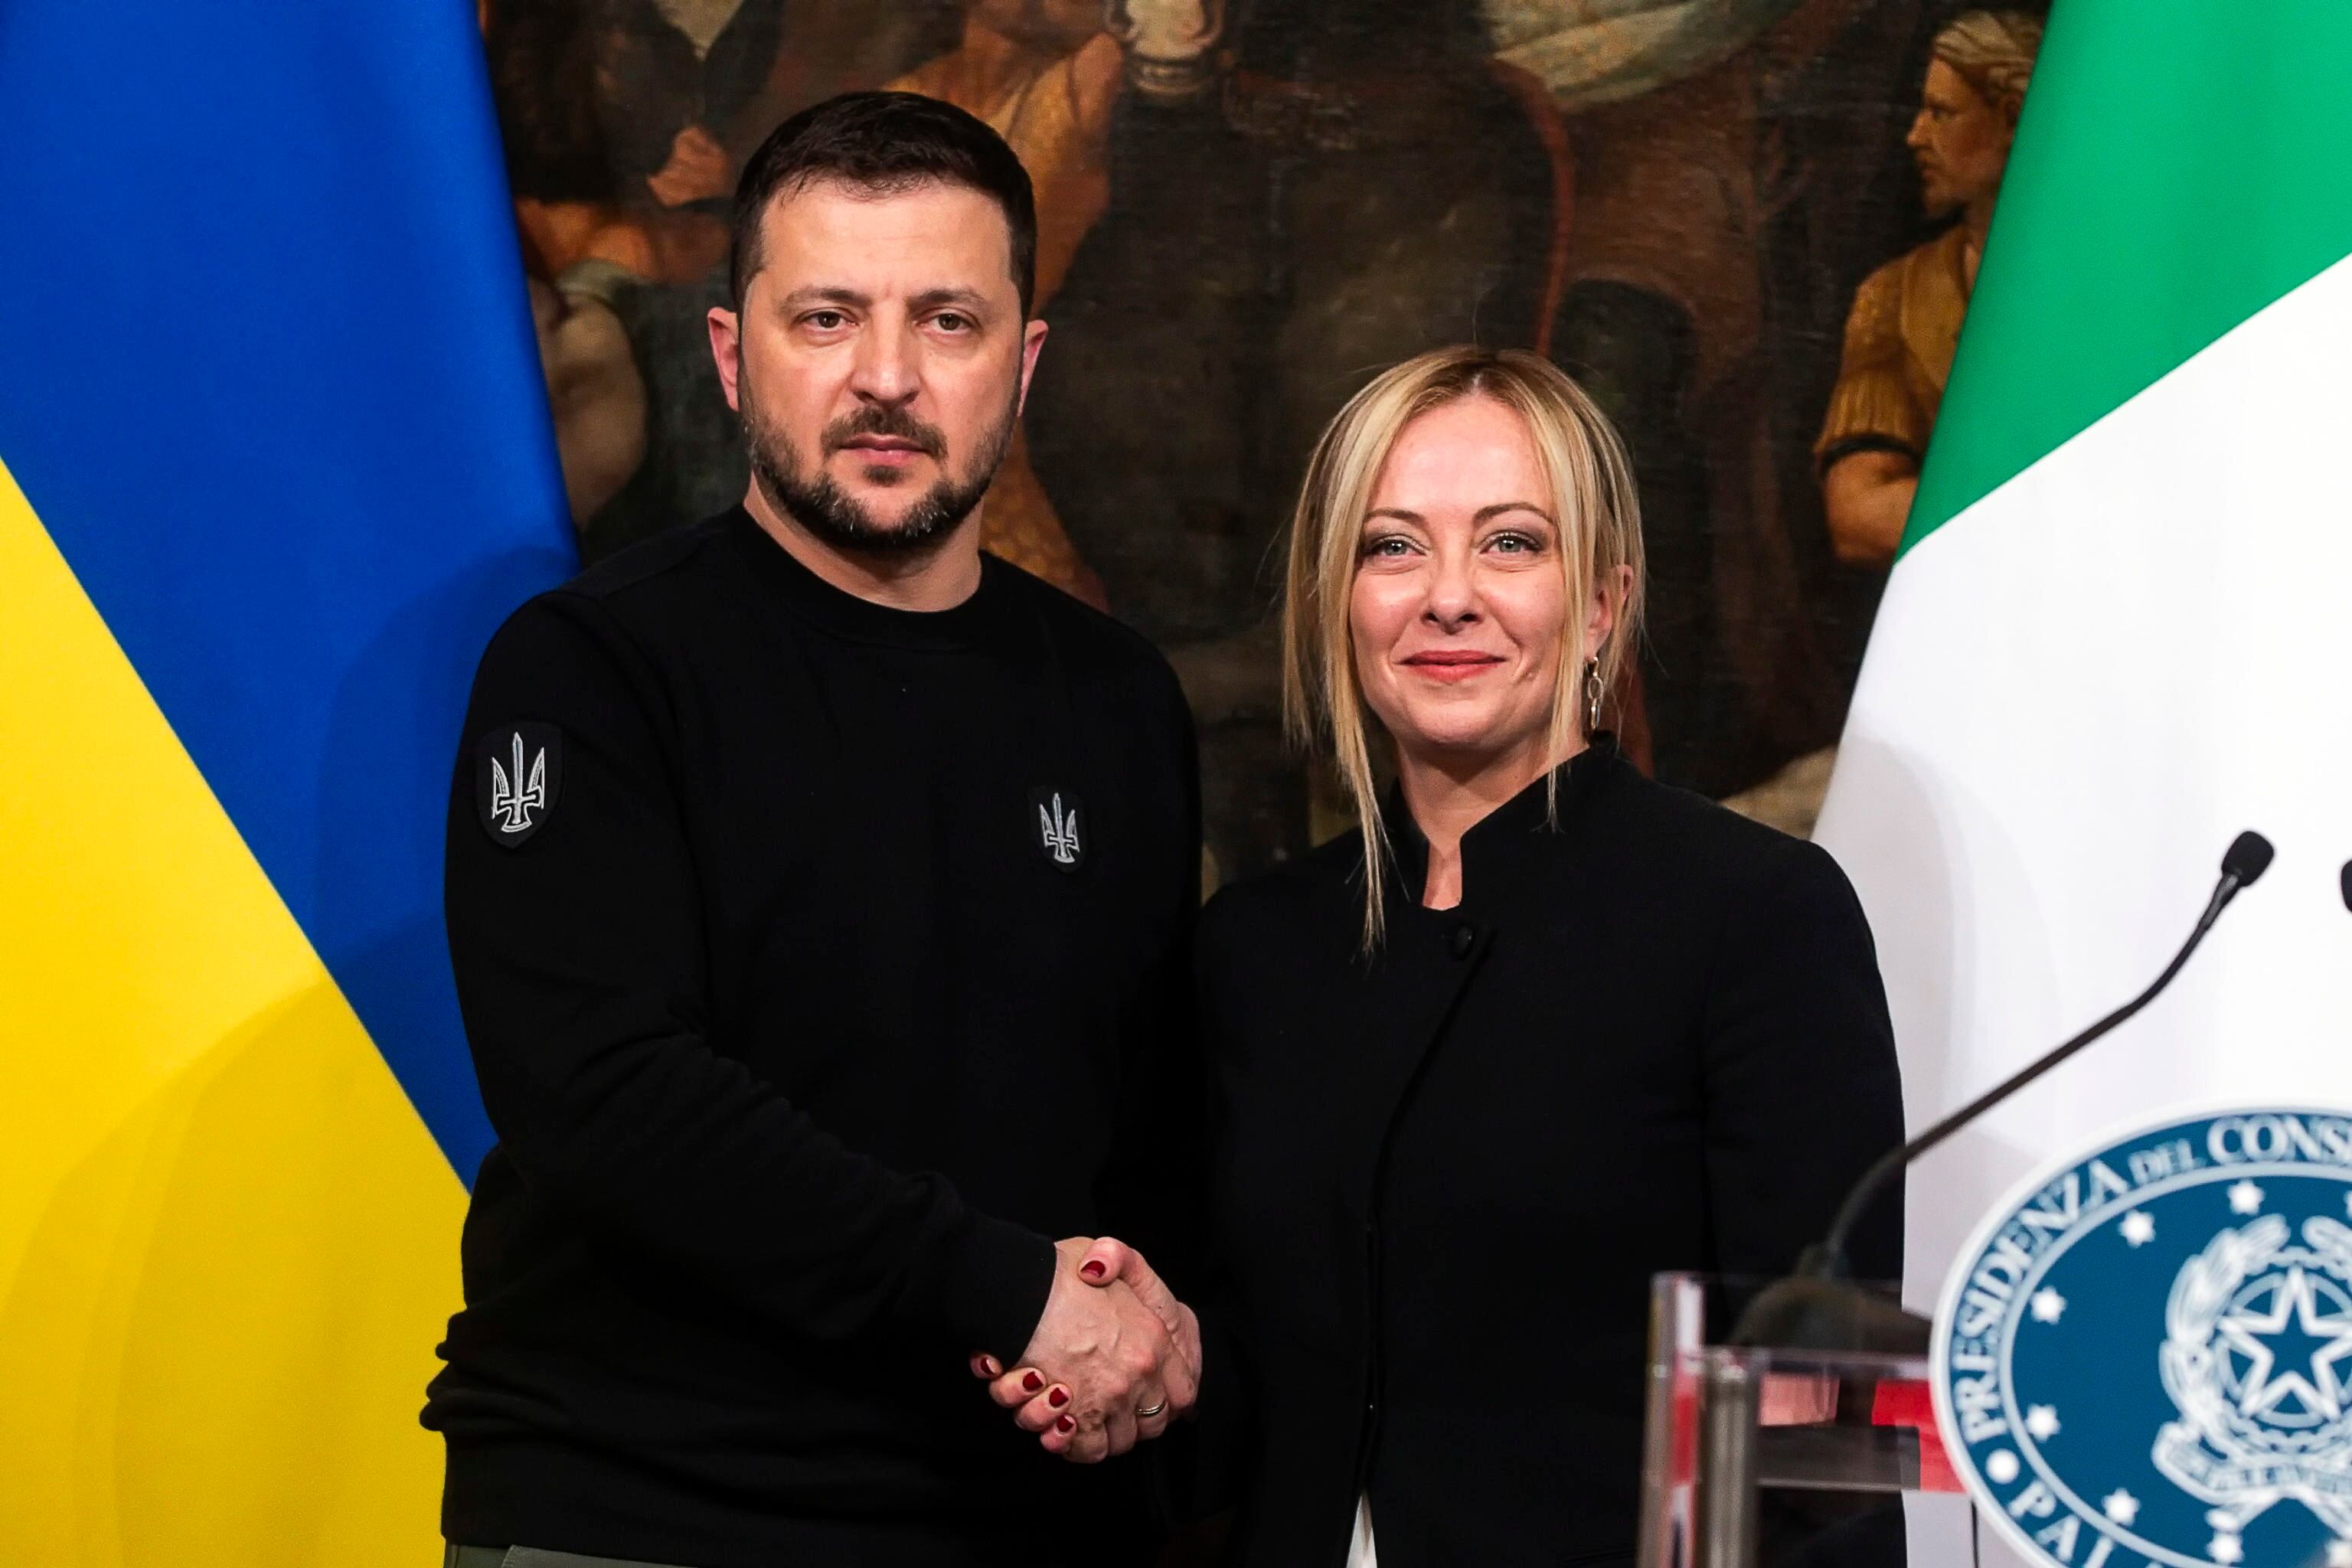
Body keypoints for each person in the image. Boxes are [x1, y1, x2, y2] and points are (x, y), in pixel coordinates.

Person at [425, 91, 1204, 1568]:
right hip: (653, 1509)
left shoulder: (1114, 701)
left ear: (1024, 363)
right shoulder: (590, 669)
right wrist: (999, 1286)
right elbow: (609, 1099)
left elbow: (1145, 1127)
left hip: (1027, 1516)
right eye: (828, 318)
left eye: (950, 323)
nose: (888, 379)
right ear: (732, 354)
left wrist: (1146, 1343)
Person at [991, 346, 1904, 1563]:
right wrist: (1132, 1383)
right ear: (1341, 601)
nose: (1449, 596)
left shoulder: (1761, 915)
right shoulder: (1256, 947)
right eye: (1394, 546)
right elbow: (1251, 1389)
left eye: (1513, 542)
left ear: (1603, 605)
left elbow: (1826, 1441)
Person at [1817, 11, 2044, 566]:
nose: (1915, 136)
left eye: (1941, 113)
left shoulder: (2112, 289)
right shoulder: (1894, 296)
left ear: (2012, 118)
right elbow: (1858, 512)